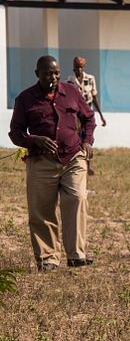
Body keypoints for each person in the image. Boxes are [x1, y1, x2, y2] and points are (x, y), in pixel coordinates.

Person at [9, 55, 96, 272]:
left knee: (77, 199)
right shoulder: (25, 99)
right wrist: (34, 139)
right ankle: (47, 258)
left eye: (56, 73)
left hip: (73, 156)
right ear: (37, 73)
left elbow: (89, 118)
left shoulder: (71, 92)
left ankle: (77, 255)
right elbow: (15, 133)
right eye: (48, 73)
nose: (53, 77)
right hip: (41, 161)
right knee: (41, 210)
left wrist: (87, 141)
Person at [66, 56, 105, 175]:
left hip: (87, 113)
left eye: (81, 67)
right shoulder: (69, 81)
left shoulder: (90, 79)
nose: (79, 70)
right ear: (73, 68)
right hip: (75, 114)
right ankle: (76, 162)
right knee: (76, 138)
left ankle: (88, 164)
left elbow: (94, 98)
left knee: (88, 137)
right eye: (77, 67)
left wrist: (101, 115)